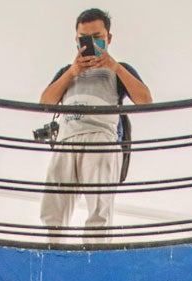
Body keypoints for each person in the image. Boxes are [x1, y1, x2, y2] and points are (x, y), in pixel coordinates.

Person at [38, 8, 150, 238]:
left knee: (99, 207)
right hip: (67, 140)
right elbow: (46, 103)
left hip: (101, 139)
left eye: (98, 37)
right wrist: (73, 71)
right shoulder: (66, 72)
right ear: (77, 40)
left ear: (109, 38)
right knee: (53, 206)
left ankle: (96, 251)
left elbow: (145, 100)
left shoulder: (120, 70)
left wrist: (114, 66)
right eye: (85, 39)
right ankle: (50, 251)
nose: (92, 43)